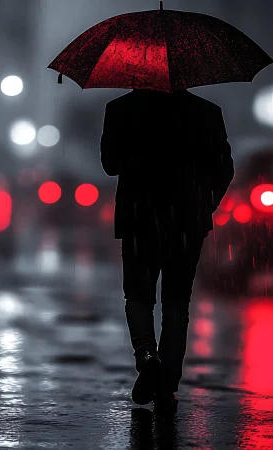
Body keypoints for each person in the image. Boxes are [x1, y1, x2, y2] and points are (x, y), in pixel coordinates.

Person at [101, 89, 234, 414]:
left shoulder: (121, 108)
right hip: (186, 222)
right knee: (177, 303)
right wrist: (206, 204)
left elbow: (109, 165)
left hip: (139, 218)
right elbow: (225, 168)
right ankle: (167, 384)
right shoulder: (206, 111)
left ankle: (147, 356)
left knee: (138, 296)